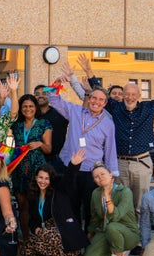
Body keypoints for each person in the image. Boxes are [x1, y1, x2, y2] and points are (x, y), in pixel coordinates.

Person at [77, 54, 154, 216]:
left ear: (139, 95)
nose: (130, 97)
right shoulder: (115, 108)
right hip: (120, 163)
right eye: (127, 94)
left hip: (141, 163)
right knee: (121, 202)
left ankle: (139, 238)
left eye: (133, 94)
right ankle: (124, 236)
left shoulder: (149, 108)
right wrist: (88, 70)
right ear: (123, 95)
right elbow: (100, 91)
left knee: (140, 205)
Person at [48, 81, 118, 225]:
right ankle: (75, 242)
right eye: (94, 98)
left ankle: (89, 241)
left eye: (101, 100)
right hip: (70, 168)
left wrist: (112, 175)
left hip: (91, 172)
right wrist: (56, 84)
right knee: (71, 207)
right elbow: (54, 100)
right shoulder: (75, 112)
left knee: (90, 209)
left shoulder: (108, 124)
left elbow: (110, 150)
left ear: (105, 104)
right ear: (89, 98)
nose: (96, 102)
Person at [21, 149, 88, 256]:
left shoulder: (59, 191)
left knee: (50, 236)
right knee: (28, 251)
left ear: (51, 180)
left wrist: (73, 165)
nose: (43, 181)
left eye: (47, 178)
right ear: (36, 177)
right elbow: (32, 219)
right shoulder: (33, 195)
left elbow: (68, 180)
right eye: (40, 177)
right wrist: (35, 227)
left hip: (63, 231)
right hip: (44, 232)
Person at [82, 162, 139, 256]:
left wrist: (107, 195)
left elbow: (115, 216)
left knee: (112, 226)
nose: (100, 178)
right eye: (96, 177)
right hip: (105, 232)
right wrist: (90, 235)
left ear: (110, 175)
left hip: (127, 233)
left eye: (102, 174)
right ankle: (116, 249)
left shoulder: (125, 192)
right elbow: (94, 218)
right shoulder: (96, 193)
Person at [12, 94, 52, 236]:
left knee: (35, 204)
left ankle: (39, 238)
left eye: (31, 106)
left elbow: (49, 149)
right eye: (24, 106)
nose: (28, 109)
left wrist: (40, 144)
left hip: (37, 169)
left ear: (36, 108)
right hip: (19, 169)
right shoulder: (16, 125)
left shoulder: (44, 124)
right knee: (22, 205)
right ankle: (26, 239)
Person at [34, 84, 68, 173]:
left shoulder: (60, 113)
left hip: (57, 159)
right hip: (36, 159)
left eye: (44, 93)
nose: (40, 96)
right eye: (37, 94)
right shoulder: (31, 115)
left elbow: (79, 114)